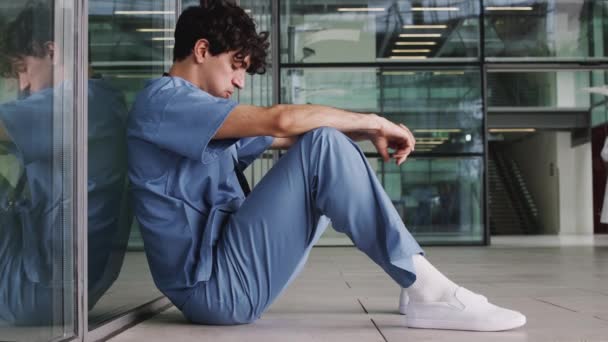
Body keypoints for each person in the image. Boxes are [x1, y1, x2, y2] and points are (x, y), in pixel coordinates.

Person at [127, 1, 526, 331]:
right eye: (236, 65)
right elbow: (282, 121)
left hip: (227, 264)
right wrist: (374, 121)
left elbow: (295, 139)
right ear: (200, 51)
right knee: (323, 142)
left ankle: (413, 275)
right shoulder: (163, 103)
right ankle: (428, 290)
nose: (240, 82)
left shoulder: (203, 115)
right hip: (214, 290)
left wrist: (366, 135)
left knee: (323, 142)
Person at [0, 2, 130, 325]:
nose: (23, 84)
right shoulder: (103, 100)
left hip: (40, 288)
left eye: (23, 67)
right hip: (59, 284)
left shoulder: (78, 101)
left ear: (53, 52)